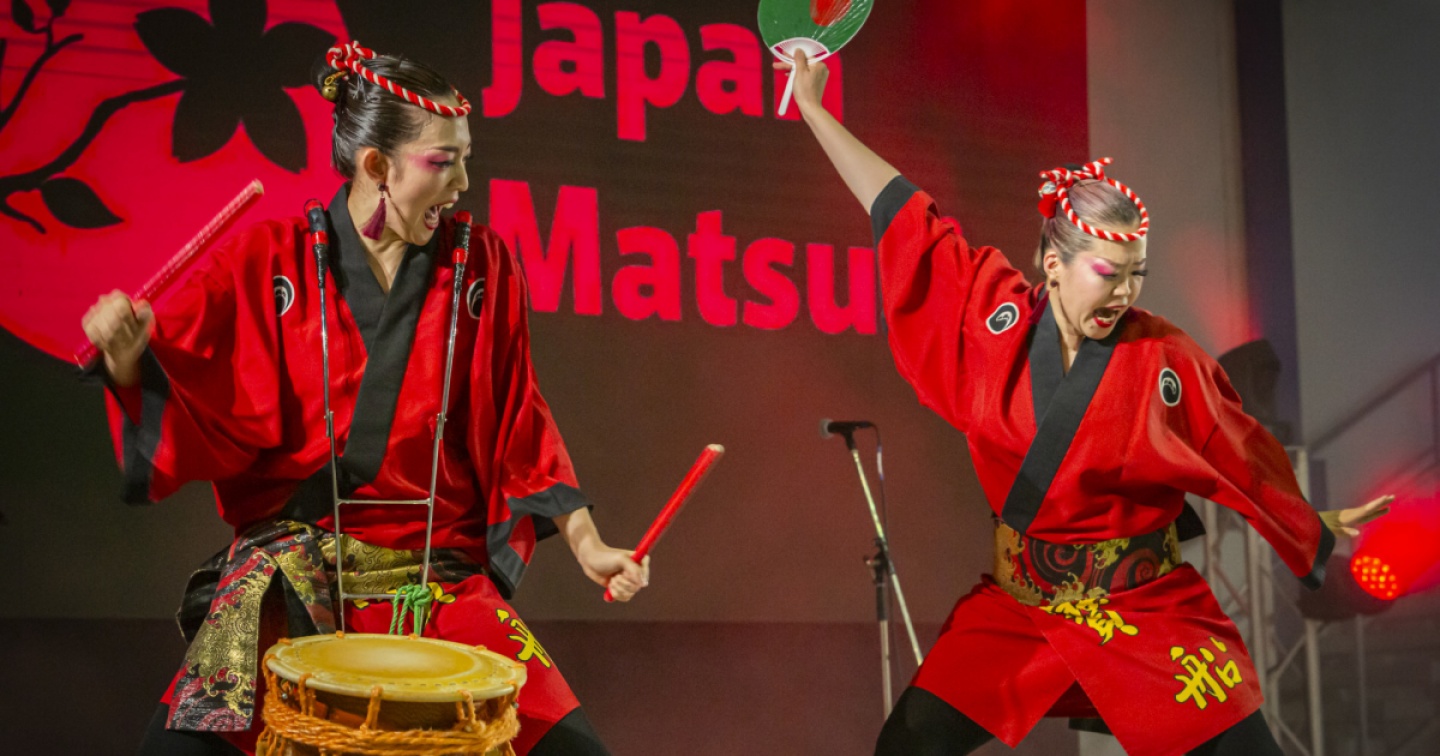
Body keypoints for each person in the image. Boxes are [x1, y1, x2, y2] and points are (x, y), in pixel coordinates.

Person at [778, 50, 1391, 756]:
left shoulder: (1163, 360)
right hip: (1022, 610)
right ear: (1053, 265)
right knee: (907, 746)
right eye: (1108, 273)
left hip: (1143, 609)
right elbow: (901, 211)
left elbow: (1239, 452)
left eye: (1137, 274)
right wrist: (815, 109)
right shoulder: (991, 320)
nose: (1125, 293)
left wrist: (1306, 527)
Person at [81, 41, 645, 756]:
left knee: (571, 748)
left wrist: (589, 544)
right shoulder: (268, 259)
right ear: (377, 165)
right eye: (444, 161)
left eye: (465, 158)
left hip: (435, 586)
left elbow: (519, 418)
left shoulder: (483, 266)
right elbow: (184, 370)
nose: (463, 182)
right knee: (178, 749)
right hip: (290, 581)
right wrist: (126, 354)